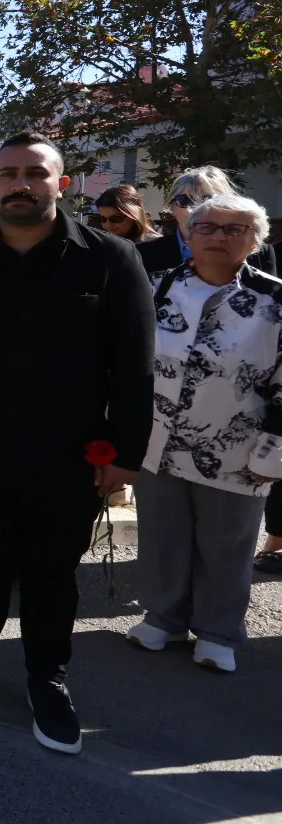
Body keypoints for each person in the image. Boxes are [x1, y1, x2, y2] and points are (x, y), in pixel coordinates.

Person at [0, 131, 153, 755]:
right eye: (9, 173)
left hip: (69, 452)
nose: (21, 183)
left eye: (35, 174)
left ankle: (47, 678)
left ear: (61, 183)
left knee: (51, 573)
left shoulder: (109, 259)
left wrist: (125, 453)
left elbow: (134, 366)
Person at [126, 194, 282, 673]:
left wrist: (273, 454)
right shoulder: (156, 286)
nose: (218, 236)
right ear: (188, 234)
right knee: (163, 534)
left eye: (234, 230)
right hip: (156, 439)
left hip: (235, 446)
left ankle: (218, 632)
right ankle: (164, 616)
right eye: (207, 227)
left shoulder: (275, 299)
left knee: (227, 542)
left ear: (256, 241)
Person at [138, 166, 278, 278]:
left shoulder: (258, 252)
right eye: (184, 200)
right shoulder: (143, 253)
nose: (194, 208)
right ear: (172, 208)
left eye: (207, 200)